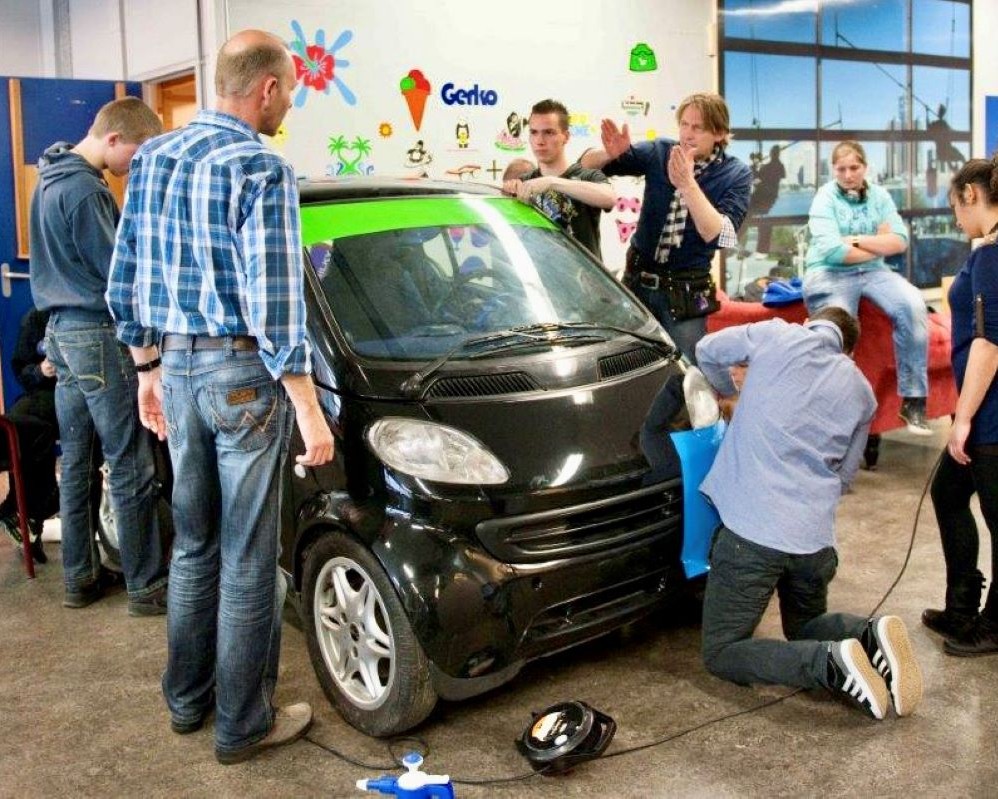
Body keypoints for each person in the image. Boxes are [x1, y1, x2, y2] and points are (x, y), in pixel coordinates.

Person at [106, 29, 335, 765]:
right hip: (242, 380)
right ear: (267, 88)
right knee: (245, 557)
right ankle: (243, 724)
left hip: (173, 369)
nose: (288, 105)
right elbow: (275, 303)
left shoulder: (154, 158)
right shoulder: (260, 168)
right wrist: (307, 406)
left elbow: (126, 277)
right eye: (291, 90)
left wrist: (146, 370)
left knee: (194, 544)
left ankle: (187, 700)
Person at [695, 307, 923, 720]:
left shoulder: (774, 335)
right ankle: (867, 635)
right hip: (815, 541)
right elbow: (845, 475)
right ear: (848, 352)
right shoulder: (861, 392)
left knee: (722, 651)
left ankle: (828, 665)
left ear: (808, 323)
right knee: (805, 626)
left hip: (752, 535)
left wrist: (731, 393)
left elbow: (706, 348)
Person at [29, 97, 169, 612]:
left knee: (79, 462)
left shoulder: (46, 179)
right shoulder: (87, 191)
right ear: (113, 139)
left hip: (61, 335)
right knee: (130, 464)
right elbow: (119, 279)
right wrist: (150, 354)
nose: (134, 165)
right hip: (95, 335)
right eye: (134, 153)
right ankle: (148, 585)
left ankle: (79, 579)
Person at [581, 92, 752, 362]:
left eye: (698, 127)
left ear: (719, 133)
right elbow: (585, 165)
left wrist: (687, 183)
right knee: (624, 363)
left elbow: (720, 235)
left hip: (686, 292)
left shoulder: (736, 173)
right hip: (638, 280)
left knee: (688, 375)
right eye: (684, 124)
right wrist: (608, 154)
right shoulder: (661, 151)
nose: (688, 133)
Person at [921, 156, 998, 657]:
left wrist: (964, 417)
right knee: (949, 492)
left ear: (972, 194)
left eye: (954, 207)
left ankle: (994, 626)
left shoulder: (992, 255)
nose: (954, 218)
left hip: (992, 414)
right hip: (985, 407)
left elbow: (989, 344)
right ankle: (962, 604)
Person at [803, 140, 930, 435]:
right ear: (833, 170)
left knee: (912, 304)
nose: (848, 174)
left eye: (854, 167)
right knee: (837, 329)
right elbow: (834, 252)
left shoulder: (880, 196)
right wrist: (878, 244)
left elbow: (900, 240)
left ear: (865, 167)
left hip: (873, 272)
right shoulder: (825, 198)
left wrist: (857, 240)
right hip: (829, 272)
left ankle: (913, 400)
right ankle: (830, 406)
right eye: (841, 169)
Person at [502, 99, 615, 258]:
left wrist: (552, 182)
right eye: (534, 132)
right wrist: (508, 192)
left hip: (583, 280)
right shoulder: (523, 182)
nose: (540, 141)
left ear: (566, 137)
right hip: (540, 279)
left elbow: (609, 198)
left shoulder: (586, 176)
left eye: (549, 132)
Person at [0, 307, 59, 563]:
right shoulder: (35, 318)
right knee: (22, 421)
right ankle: (25, 512)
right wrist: (40, 370)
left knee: (37, 428)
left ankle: (21, 510)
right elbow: (23, 372)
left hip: (73, 396)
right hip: (44, 393)